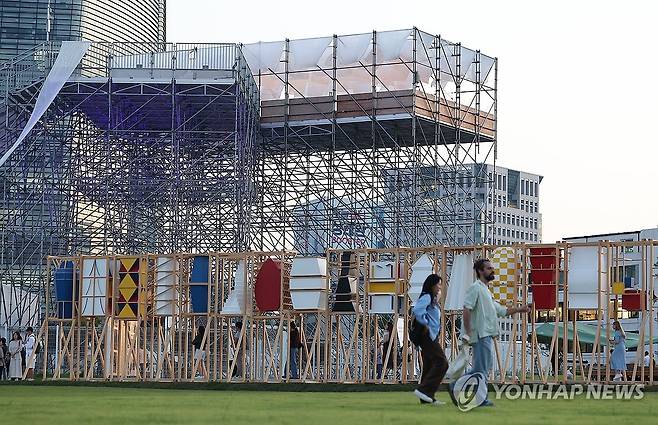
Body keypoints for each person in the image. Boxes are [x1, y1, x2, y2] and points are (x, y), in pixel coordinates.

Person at [452, 258, 530, 408]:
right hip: (480, 334)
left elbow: (501, 311)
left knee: (481, 367)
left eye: (492, 268)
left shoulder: (485, 291)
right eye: (488, 268)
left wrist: (520, 309)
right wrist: (468, 332)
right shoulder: (476, 288)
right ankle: (478, 398)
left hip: (486, 334)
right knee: (481, 368)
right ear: (480, 271)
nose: (492, 270)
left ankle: (458, 385)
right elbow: (466, 309)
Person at [412, 274, 449, 406]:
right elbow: (417, 309)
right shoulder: (426, 296)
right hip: (427, 336)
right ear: (432, 285)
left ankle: (426, 397)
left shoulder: (431, 299)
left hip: (431, 335)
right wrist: (425, 322)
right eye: (438, 284)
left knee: (429, 365)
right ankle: (424, 390)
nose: (440, 287)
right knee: (442, 362)